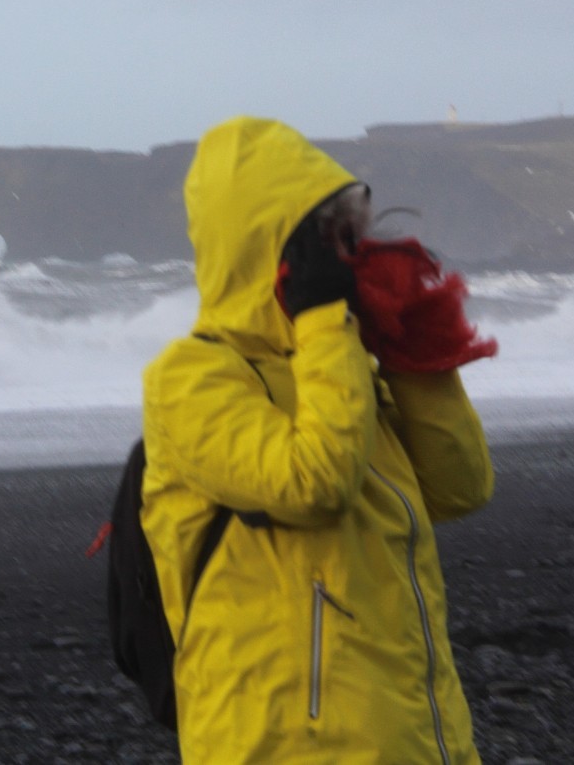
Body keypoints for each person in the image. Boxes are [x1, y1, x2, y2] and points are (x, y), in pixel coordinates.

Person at [140, 116, 494, 764]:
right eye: (328, 242)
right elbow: (316, 482)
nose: (348, 259)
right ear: (270, 249)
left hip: (414, 736)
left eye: (349, 237)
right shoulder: (191, 379)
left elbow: (462, 484)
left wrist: (418, 354)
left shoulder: (341, 369)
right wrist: (325, 320)